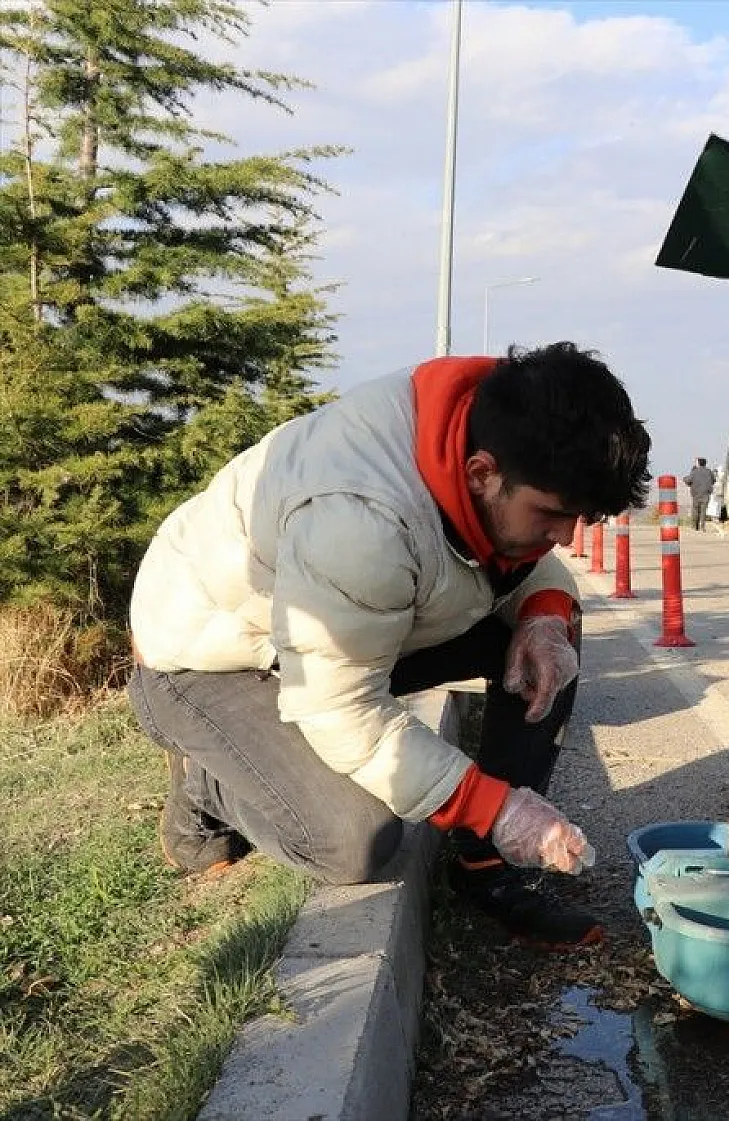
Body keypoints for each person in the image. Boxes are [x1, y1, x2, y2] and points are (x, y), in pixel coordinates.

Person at [128, 343, 652, 949]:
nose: (565, 537)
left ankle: (488, 866)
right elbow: (339, 707)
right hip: (203, 657)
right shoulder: (359, 523)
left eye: (584, 517)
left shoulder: (499, 433)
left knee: (549, 636)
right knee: (354, 839)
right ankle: (208, 783)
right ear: (481, 473)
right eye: (554, 515)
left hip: (320, 633)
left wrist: (544, 616)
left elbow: (523, 561)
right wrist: (494, 806)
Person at [683, 457, 717, 533]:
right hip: (706, 494)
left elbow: (688, 480)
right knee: (703, 511)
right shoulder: (709, 471)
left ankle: (695, 527)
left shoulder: (694, 471)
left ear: (698, 463)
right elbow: (713, 480)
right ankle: (702, 527)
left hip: (696, 494)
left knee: (695, 510)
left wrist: (685, 478)